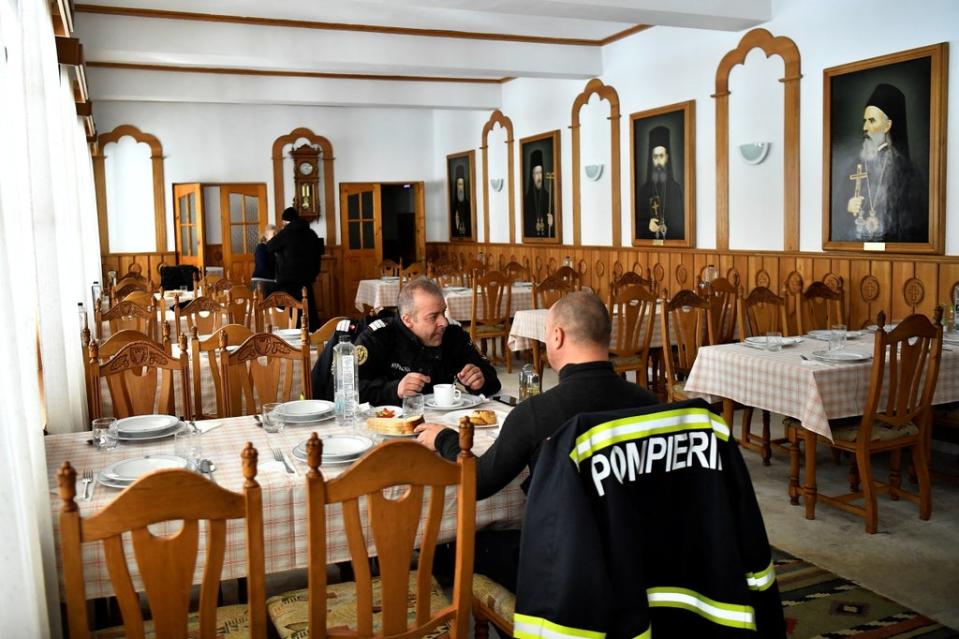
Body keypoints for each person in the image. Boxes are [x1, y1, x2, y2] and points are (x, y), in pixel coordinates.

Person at [415, 290, 658, 591]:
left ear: (556, 337)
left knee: (461, 547)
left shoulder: (537, 413)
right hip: (641, 555)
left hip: (562, 566)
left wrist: (446, 440)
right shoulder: (651, 403)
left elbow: (477, 483)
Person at [354, 277, 500, 405]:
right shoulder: (378, 337)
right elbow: (348, 389)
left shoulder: (454, 335)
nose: (444, 322)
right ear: (408, 320)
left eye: (443, 312)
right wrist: (394, 390)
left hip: (443, 422)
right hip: (389, 423)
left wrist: (479, 381)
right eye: (433, 316)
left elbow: (491, 377)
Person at [840, 82, 927, 243]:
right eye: (864, 120)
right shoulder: (855, 165)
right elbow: (836, 215)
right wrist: (847, 208)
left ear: (888, 126)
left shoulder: (907, 171)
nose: (864, 127)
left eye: (871, 120)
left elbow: (913, 224)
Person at [266, 207, 324, 330]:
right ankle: (311, 340)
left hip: (288, 281)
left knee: (291, 316)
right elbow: (319, 253)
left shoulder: (286, 233)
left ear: (286, 222)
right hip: (307, 281)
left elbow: (269, 247)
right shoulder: (311, 233)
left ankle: (292, 342)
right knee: (309, 312)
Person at [636, 125, 684, 241]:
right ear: (651, 159)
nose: (658, 161)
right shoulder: (644, 190)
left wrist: (667, 228)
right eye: (655, 157)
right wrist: (649, 226)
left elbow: (681, 224)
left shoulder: (675, 188)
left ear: (667, 158)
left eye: (661, 156)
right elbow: (637, 225)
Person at [523, 149, 553, 238]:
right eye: (536, 173)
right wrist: (533, 226)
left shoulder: (548, 197)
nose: (539, 177)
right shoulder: (527, 199)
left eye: (540, 172)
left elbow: (551, 229)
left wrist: (551, 223)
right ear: (532, 175)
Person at [251, 223, 277, 296]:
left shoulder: (276, 249)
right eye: (274, 234)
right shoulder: (261, 247)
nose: (276, 237)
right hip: (261, 280)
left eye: (277, 235)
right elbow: (262, 265)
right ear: (266, 236)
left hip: (270, 281)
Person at [451, 164, 471, 238]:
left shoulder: (468, 204)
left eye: (462, 184)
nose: (460, 188)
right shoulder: (454, 204)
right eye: (459, 184)